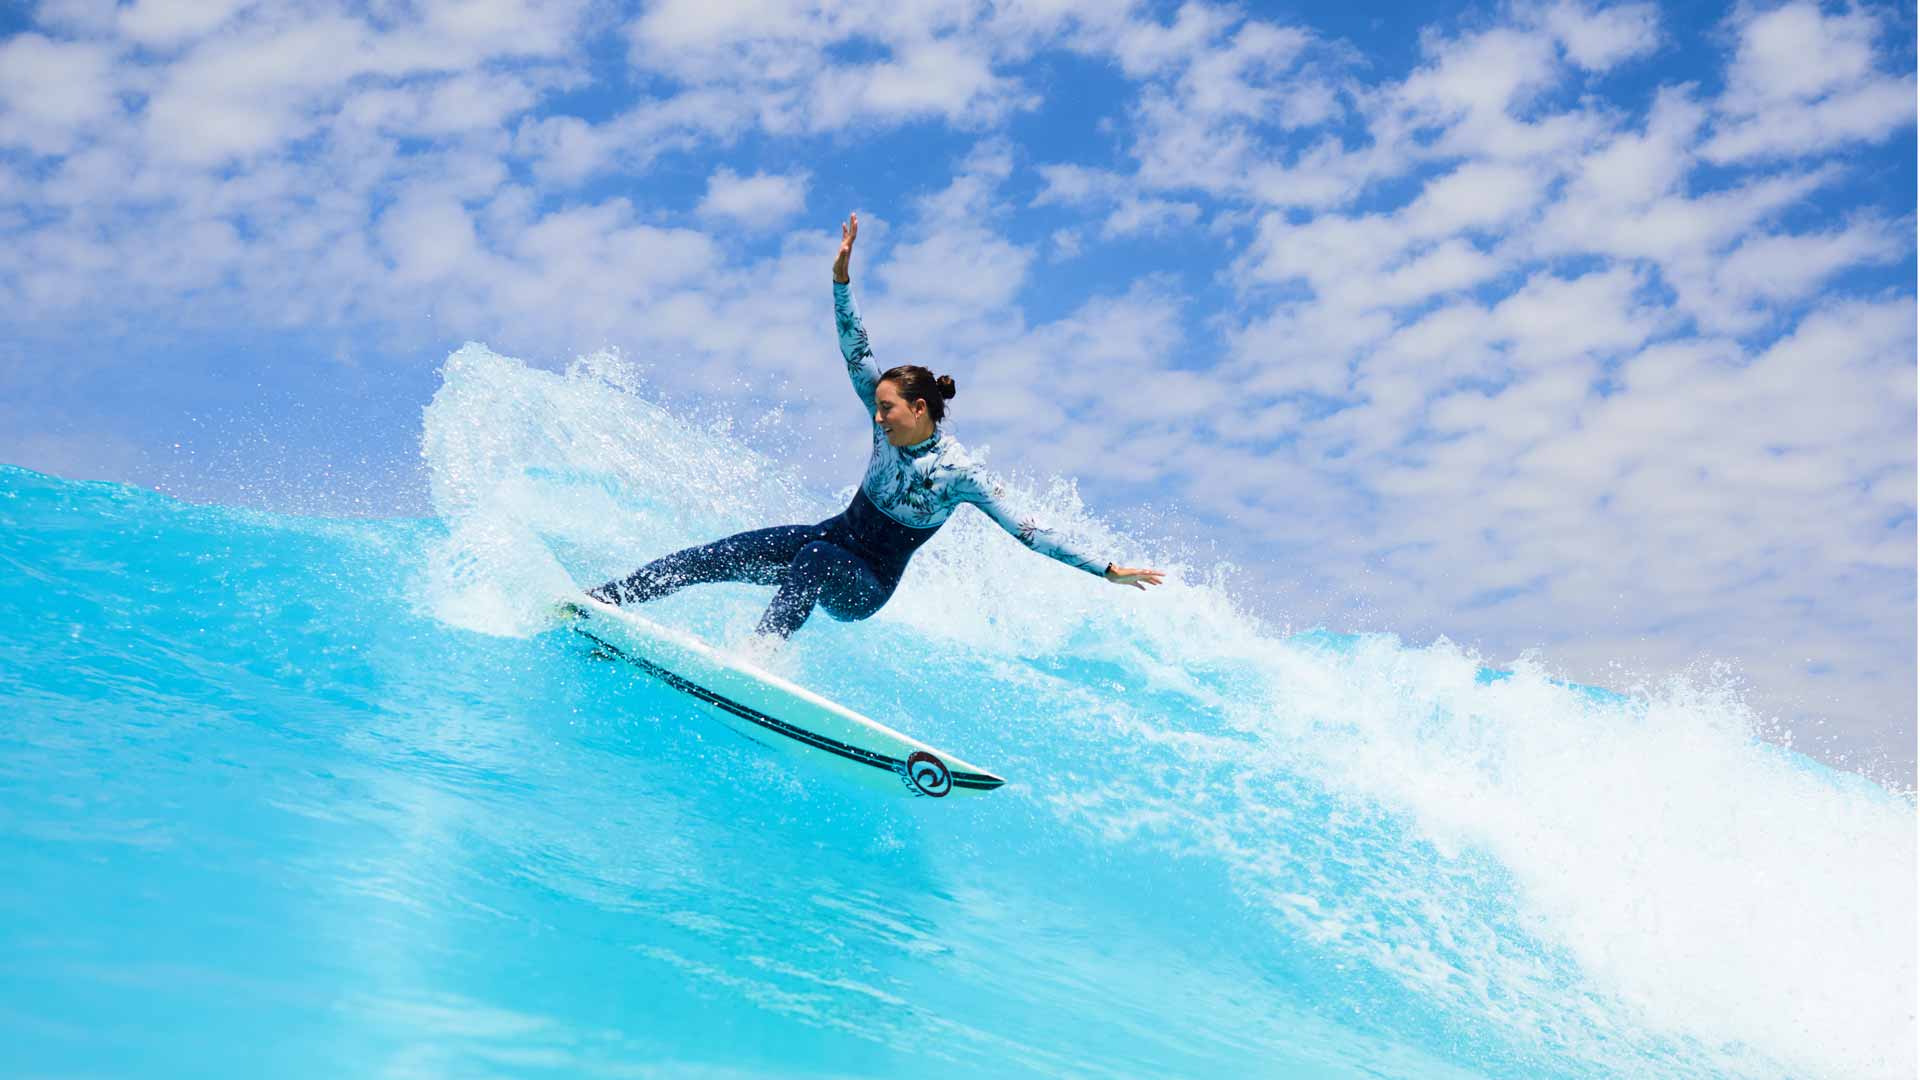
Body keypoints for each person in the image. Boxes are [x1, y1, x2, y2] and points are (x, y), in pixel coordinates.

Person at [587, 211, 1165, 641]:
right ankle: (603, 600)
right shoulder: (882, 418)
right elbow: (856, 351)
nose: (878, 414)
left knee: (812, 560)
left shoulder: (959, 473)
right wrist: (841, 281)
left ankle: (758, 658)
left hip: (867, 583)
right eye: (878, 406)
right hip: (832, 537)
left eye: (889, 408)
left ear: (920, 409)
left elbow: (1030, 532)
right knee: (719, 553)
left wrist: (1107, 570)